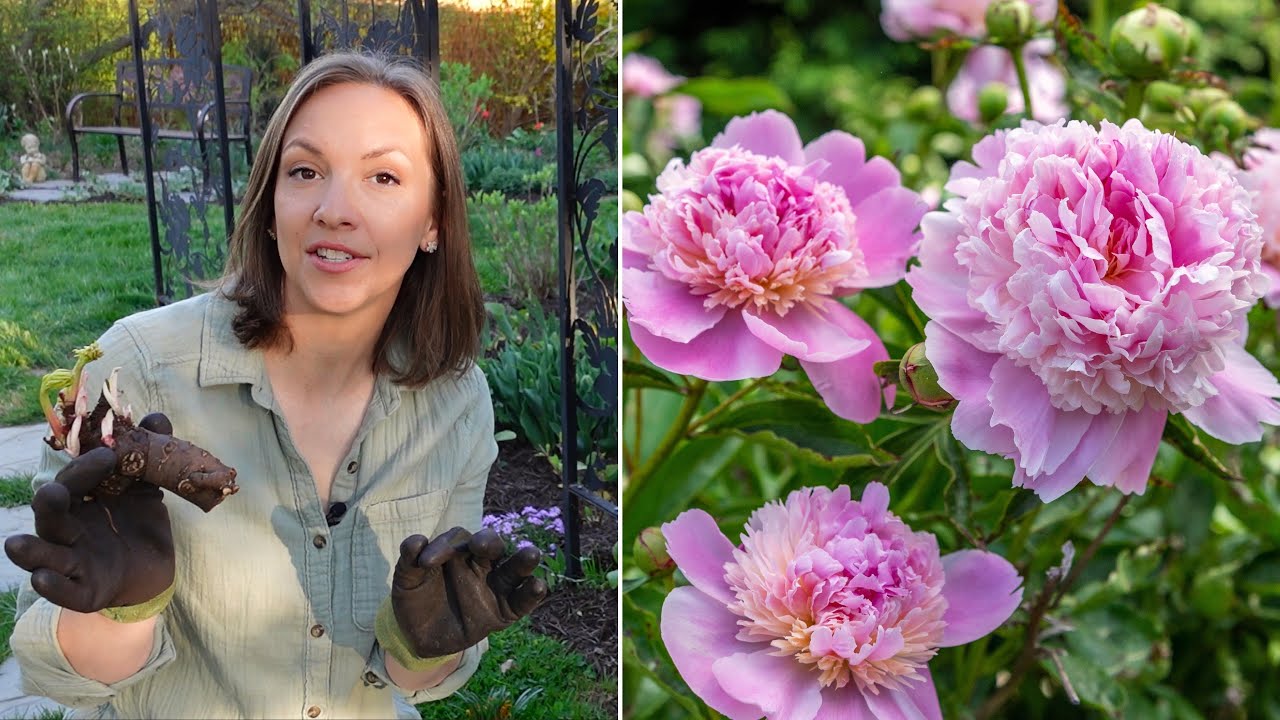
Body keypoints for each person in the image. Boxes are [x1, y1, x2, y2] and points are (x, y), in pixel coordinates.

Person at [3, 50, 547, 719]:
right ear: (270, 203)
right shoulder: (133, 373)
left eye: (383, 176)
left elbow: (409, 679)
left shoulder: (455, 402)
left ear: (433, 220)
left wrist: (426, 640)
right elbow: (61, 678)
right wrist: (121, 607)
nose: (335, 208)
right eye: (306, 171)